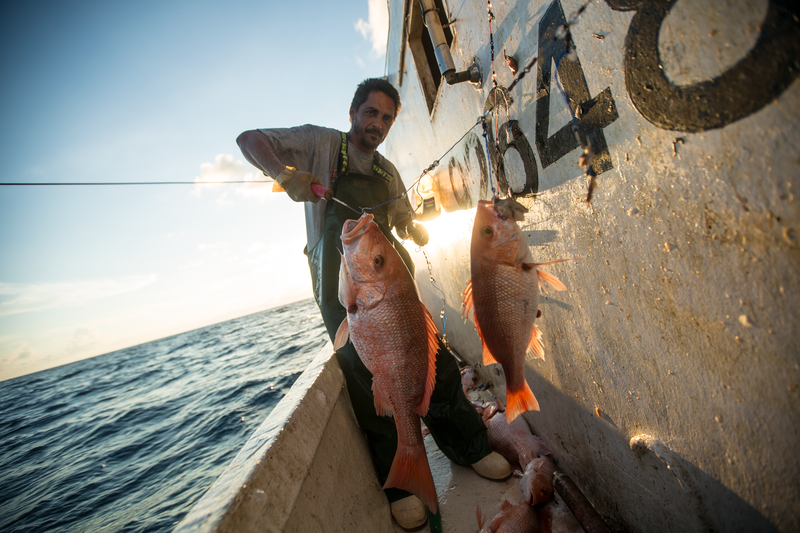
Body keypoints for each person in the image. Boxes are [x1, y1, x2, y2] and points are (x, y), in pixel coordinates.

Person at [237, 78, 510, 530]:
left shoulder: (387, 172)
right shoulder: (320, 145)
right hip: (345, 287)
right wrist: (284, 174)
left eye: (386, 118)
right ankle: (402, 482)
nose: (377, 124)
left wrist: (415, 229)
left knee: (434, 365)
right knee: (366, 382)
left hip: (390, 282)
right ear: (353, 112)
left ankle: (470, 446)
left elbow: (400, 218)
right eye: (371, 113)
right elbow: (250, 141)